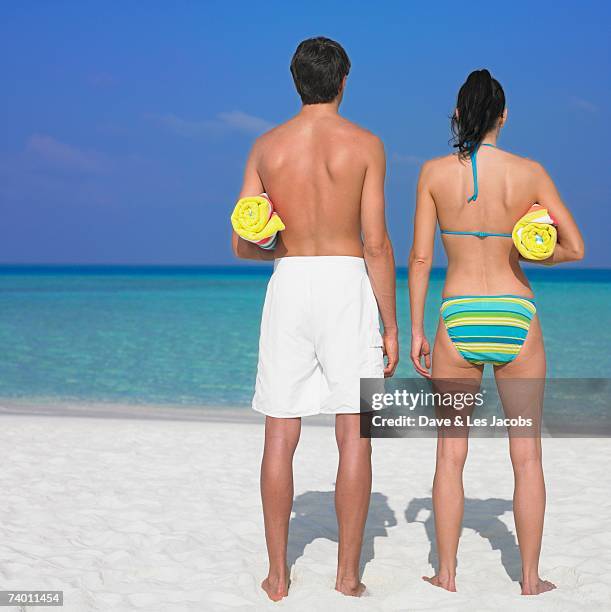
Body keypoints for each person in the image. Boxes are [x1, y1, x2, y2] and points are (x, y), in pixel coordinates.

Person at [232, 37, 398, 601]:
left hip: (290, 278)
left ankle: (277, 577)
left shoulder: (266, 147)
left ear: (295, 80)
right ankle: (347, 577)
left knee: (280, 432)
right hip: (347, 283)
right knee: (355, 436)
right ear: (343, 80)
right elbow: (375, 242)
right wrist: (392, 324)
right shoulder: (366, 145)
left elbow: (241, 242)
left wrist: (279, 250)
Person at [408, 69, 584, 595]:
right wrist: (533, 249)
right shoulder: (529, 173)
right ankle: (530, 580)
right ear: (504, 116)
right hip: (515, 316)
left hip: (458, 315)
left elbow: (420, 258)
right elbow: (575, 248)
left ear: (458, 114)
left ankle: (446, 574)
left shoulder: (434, 173)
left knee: (450, 453)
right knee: (526, 454)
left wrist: (415, 327)